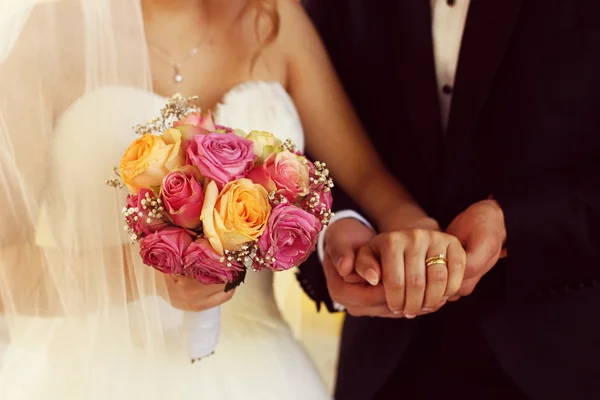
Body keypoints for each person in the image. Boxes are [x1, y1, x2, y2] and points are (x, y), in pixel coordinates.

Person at [0, 0, 467, 398]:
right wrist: (148, 271)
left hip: (263, 368)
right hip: (89, 374)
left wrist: (416, 231)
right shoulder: (54, 30)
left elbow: (366, 177)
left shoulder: (273, 19)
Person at [299, 1, 600, 399]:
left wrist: (514, 223)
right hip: (385, 358)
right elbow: (301, 121)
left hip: (564, 352)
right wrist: (335, 226)